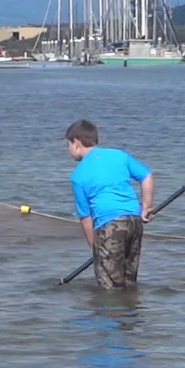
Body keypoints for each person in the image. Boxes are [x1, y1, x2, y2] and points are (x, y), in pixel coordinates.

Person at [65, 119, 155, 289]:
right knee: (129, 282)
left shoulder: (78, 175)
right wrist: (146, 207)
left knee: (110, 289)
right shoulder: (119, 155)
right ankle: (131, 314)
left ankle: (112, 314)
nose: (69, 150)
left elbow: (86, 219)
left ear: (76, 143)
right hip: (134, 222)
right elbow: (146, 176)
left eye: (68, 144)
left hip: (109, 226)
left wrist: (95, 250)